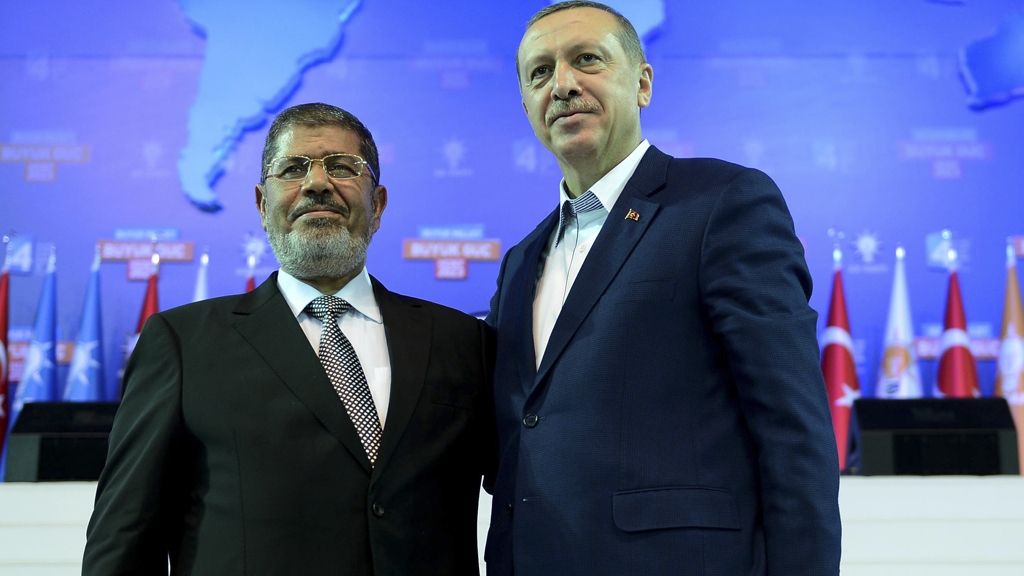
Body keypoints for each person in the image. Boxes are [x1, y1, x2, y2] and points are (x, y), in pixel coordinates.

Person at [484, 3, 842, 575]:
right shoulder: (522, 259)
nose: (564, 85)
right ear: (527, 104)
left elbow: (792, 427)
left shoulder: (723, 203)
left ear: (643, 83)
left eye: (587, 60)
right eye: (540, 73)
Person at [83, 103, 494, 575]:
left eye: (342, 167)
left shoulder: (463, 341)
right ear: (261, 204)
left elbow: (525, 496)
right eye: (292, 169)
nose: (317, 184)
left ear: (377, 204)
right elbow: (124, 538)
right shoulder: (181, 344)